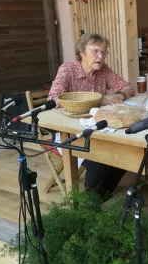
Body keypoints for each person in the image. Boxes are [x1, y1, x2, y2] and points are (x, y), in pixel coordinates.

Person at [48, 33, 135, 198]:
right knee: (98, 160)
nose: (100, 57)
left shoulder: (104, 71)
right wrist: (98, 100)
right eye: (95, 51)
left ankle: (102, 195)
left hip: (98, 128)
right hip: (69, 132)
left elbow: (128, 87)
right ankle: (91, 204)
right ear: (81, 51)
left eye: (104, 52)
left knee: (126, 152)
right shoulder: (68, 69)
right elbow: (53, 99)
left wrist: (121, 95)